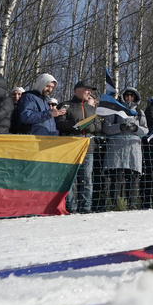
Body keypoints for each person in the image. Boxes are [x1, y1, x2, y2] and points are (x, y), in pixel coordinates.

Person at [57, 80, 102, 214]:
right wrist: (76, 124)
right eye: (87, 90)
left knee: (87, 178)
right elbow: (60, 124)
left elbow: (98, 126)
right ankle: (71, 207)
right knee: (70, 179)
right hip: (70, 147)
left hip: (87, 147)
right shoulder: (66, 105)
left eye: (91, 90)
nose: (90, 93)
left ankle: (86, 207)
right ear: (77, 90)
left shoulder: (91, 108)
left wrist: (88, 126)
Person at [102, 88, 148, 210]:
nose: (129, 98)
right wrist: (120, 127)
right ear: (123, 96)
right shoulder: (114, 111)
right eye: (127, 95)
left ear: (136, 97)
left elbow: (146, 130)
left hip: (133, 150)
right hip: (117, 150)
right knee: (118, 178)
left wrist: (135, 129)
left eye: (132, 96)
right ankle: (117, 204)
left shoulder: (139, 112)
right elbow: (106, 128)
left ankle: (132, 204)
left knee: (133, 178)